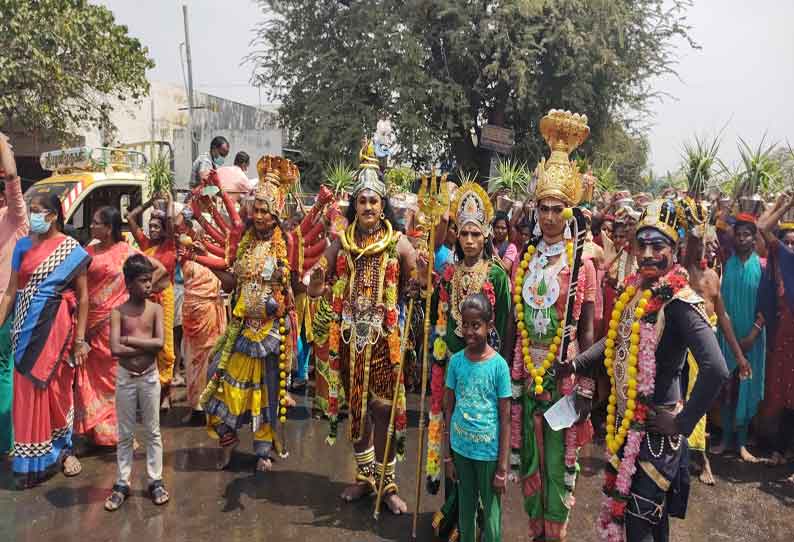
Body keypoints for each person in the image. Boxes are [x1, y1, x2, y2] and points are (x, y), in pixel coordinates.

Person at [567, 198, 728, 542]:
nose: (648, 253)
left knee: (640, 522)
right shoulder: (635, 291)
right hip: (627, 425)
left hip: (657, 433)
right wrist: (575, 364)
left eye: (659, 245)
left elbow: (716, 368)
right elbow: (613, 343)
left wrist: (683, 423)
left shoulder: (679, 301)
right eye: (643, 244)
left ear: (675, 249)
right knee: (641, 524)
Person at [308, 141, 418, 515]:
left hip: (385, 339)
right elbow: (318, 282)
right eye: (362, 201)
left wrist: (420, 281)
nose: (368, 207)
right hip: (350, 339)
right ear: (353, 205)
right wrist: (316, 281)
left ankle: (387, 484)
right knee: (357, 411)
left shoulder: (398, 244)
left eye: (374, 201)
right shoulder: (342, 242)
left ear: (382, 204)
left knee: (383, 409)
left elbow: (418, 280)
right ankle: (365, 477)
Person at [503, 110, 597, 542]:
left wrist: (585, 381)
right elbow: (512, 319)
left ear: (569, 209)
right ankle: (536, 529)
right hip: (526, 368)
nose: (549, 216)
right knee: (527, 456)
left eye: (557, 208)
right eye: (543, 208)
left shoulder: (583, 261)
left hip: (564, 372)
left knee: (559, 459)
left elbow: (590, 329)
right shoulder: (525, 258)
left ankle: (555, 533)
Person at [187, 157, 301, 473]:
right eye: (256, 210)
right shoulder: (245, 241)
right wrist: (200, 259)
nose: (259, 216)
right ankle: (228, 441)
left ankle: (263, 450)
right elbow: (233, 281)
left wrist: (282, 294)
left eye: (265, 211)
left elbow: (293, 288)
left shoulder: (286, 243)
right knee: (217, 380)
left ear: (276, 213)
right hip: (240, 327)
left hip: (270, 331)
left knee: (266, 393)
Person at [424, 182, 511, 539]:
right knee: (452, 440)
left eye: (476, 233)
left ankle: (480, 522)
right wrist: (422, 289)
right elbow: (439, 317)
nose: (470, 240)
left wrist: (496, 373)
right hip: (451, 368)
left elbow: (503, 327)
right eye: (464, 233)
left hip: (486, 372)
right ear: (457, 236)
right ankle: (457, 518)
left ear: (486, 233)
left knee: (482, 449)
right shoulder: (449, 274)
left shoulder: (496, 276)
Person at [0, 193, 90, 488]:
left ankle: (63, 452)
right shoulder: (24, 245)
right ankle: (29, 459)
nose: (33, 216)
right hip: (24, 329)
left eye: (37, 211)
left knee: (57, 390)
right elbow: (12, 291)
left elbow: (84, 297)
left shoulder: (71, 248)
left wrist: (79, 340)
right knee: (26, 392)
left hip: (57, 329)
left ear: (52, 215)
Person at [74, 207, 167, 447]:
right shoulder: (87, 252)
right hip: (90, 325)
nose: (92, 226)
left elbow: (159, 269)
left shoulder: (126, 252)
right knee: (91, 380)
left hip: (114, 326)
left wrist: (136, 296)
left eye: (96, 223)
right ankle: (98, 432)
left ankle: (120, 433)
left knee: (115, 380)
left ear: (109, 229)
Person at [680, 200, 750, 485]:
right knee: (681, 401)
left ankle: (702, 456)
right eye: (700, 245)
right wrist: (699, 220)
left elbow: (724, 318)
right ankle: (684, 457)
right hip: (684, 349)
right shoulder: (684, 273)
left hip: (706, 349)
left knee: (703, 403)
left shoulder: (713, 277)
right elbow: (691, 247)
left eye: (709, 246)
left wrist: (740, 358)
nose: (703, 250)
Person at [443, 293, 511, 542]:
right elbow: (448, 410)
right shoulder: (457, 363)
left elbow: (505, 419)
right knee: (466, 511)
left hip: (489, 455)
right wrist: (448, 456)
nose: (470, 331)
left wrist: (502, 469)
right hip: (461, 451)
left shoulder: (499, 367)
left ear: (489, 326)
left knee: (491, 518)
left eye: (476, 325)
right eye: (465, 324)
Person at [104, 254, 167, 511]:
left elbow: (160, 344)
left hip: (150, 377)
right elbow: (114, 349)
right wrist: (144, 347)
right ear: (128, 284)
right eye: (143, 281)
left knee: (153, 431)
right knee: (126, 433)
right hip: (126, 378)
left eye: (149, 280)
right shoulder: (118, 312)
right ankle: (122, 481)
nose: (149, 286)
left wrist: (130, 341)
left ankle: (155, 480)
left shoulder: (155, 309)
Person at [714, 212, 766, 461]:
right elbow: (719, 225)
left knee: (747, 387)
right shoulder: (726, 261)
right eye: (740, 234)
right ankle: (724, 440)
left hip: (753, 338)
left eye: (748, 234)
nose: (743, 238)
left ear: (755, 238)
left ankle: (743, 444)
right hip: (728, 335)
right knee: (727, 388)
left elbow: (767, 304)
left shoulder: (764, 265)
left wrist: (754, 332)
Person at [126, 197, 177, 409]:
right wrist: (148, 203)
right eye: (151, 226)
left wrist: (171, 201)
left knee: (165, 347)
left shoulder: (169, 245)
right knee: (147, 345)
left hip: (164, 297)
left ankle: (165, 391)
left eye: (157, 226)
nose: (153, 229)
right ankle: (152, 390)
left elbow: (173, 222)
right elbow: (130, 218)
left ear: (164, 230)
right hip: (146, 299)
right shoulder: (145, 244)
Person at [756, 193, 794, 466]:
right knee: (784, 393)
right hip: (785, 337)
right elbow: (762, 229)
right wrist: (786, 205)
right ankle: (781, 448)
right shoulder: (787, 259)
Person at [176, 233, 227, 420]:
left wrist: (204, 254)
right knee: (191, 361)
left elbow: (226, 275)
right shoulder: (186, 257)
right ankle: (195, 405)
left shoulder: (218, 259)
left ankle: (209, 406)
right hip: (192, 315)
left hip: (210, 315)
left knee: (210, 359)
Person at [0, 133, 28, 456]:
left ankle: (8, 441)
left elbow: (10, 176)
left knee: (4, 370)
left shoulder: (15, 217)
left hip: (10, 306)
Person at [492, 211, 517, 277]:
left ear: (508, 230)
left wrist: (492, 250)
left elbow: (506, 269)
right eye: (497, 227)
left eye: (503, 228)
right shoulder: (489, 243)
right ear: (493, 228)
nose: (500, 231)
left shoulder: (511, 247)